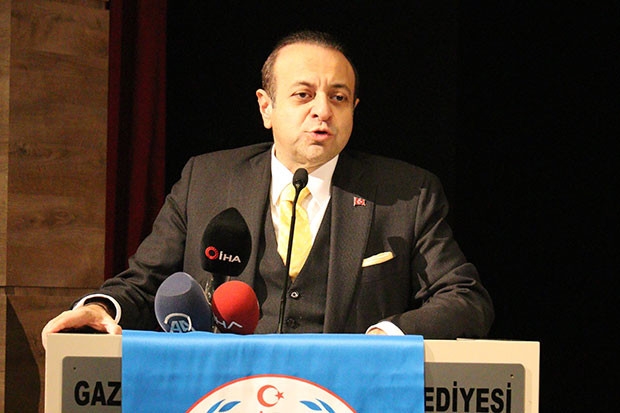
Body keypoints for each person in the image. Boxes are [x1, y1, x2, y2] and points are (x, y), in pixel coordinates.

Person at [42, 30, 494, 348]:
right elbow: (146, 283)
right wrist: (101, 307)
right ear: (266, 106)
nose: (323, 111)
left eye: (338, 97)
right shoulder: (207, 180)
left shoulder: (407, 194)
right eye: (303, 95)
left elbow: (466, 299)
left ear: (354, 109)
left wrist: (385, 337)